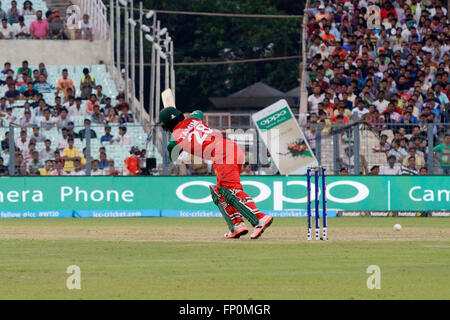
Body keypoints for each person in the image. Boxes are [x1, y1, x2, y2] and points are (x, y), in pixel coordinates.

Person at [159, 107, 273, 239]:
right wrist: (187, 119)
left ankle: (260, 218)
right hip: (232, 148)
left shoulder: (175, 139)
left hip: (222, 154)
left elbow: (173, 155)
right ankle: (236, 225)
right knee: (219, 192)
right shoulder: (194, 119)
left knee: (231, 190)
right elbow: (198, 111)